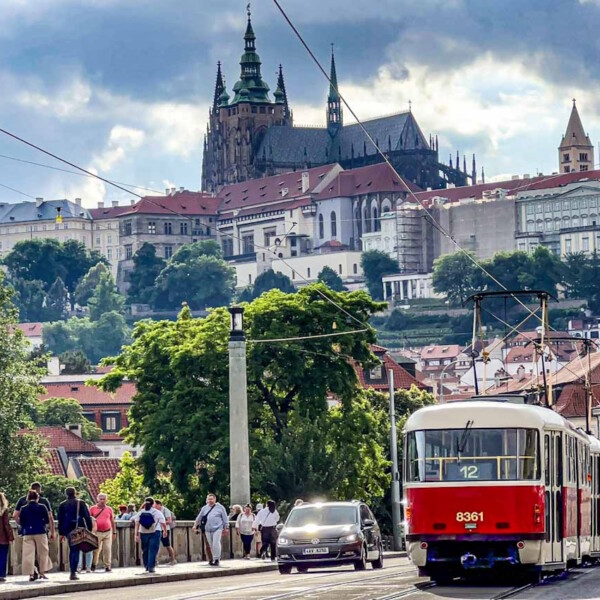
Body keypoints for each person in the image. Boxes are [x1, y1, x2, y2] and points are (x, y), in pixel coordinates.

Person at [13, 482, 54, 581]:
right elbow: (48, 519)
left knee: (28, 554)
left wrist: (24, 526)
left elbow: (18, 518)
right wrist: (50, 530)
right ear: (37, 497)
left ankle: (31, 574)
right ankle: (42, 572)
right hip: (40, 531)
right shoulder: (42, 506)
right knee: (43, 552)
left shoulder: (23, 508)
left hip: (27, 532)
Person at [58, 487, 92, 581]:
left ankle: (72, 571)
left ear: (66, 494)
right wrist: (89, 529)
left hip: (68, 529)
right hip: (79, 528)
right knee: (76, 550)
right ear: (75, 493)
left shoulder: (62, 504)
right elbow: (87, 517)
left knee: (72, 549)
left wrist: (61, 533)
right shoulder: (81, 503)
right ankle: (73, 572)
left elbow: (60, 520)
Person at [133, 497, 167, 574]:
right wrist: (165, 531)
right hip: (155, 531)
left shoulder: (141, 512)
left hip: (143, 532)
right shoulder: (157, 512)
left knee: (145, 550)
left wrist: (136, 534)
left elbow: (137, 523)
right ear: (153, 504)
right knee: (153, 550)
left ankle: (146, 566)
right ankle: (151, 567)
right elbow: (163, 523)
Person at [192, 493, 229, 567]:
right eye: (209, 499)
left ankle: (217, 559)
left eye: (211, 499)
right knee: (211, 544)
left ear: (215, 499)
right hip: (207, 529)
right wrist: (195, 525)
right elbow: (199, 517)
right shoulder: (204, 508)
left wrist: (226, 527)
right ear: (207, 500)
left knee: (216, 543)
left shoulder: (220, 507)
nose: (210, 501)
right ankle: (213, 558)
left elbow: (225, 518)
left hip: (218, 528)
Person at [90, 493, 116, 572]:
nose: (102, 501)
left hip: (107, 531)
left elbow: (112, 521)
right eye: (100, 499)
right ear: (97, 499)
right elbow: (89, 520)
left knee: (107, 549)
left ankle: (107, 566)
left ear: (106, 500)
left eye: (104, 499)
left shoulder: (109, 509)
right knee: (96, 550)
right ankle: (94, 564)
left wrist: (114, 532)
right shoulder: (92, 509)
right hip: (97, 532)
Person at [154, 500, 176, 566]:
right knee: (156, 545)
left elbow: (169, 521)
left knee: (167, 545)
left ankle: (173, 559)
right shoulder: (155, 511)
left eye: (155, 504)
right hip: (157, 529)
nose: (154, 506)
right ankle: (155, 561)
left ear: (159, 504)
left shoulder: (165, 510)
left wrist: (161, 522)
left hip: (165, 529)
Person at [0, 492, 14, 583]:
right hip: (2, 538)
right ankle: (1, 574)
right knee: (3, 556)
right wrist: (10, 537)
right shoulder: (4, 510)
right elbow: (6, 524)